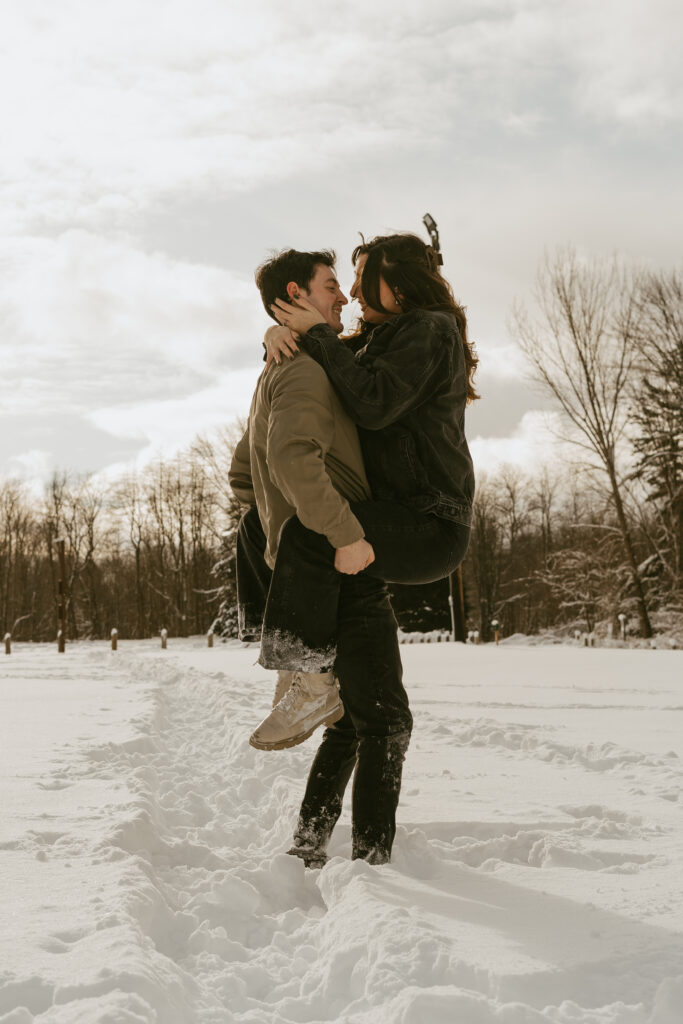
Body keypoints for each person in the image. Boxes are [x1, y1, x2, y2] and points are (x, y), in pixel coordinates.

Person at [229, 248, 411, 866]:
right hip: (344, 559)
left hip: (319, 561)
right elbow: (289, 460)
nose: (343, 297)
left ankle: (310, 844)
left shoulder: (281, 365)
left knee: (356, 715)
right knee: (384, 715)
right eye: (332, 286)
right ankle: (372, 864)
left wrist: (280, 531)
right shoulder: (304, 369)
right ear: (296, 293)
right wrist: (339, 532)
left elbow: (242, 473)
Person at [254, 231, 476, 698]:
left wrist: (312, 331)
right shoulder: (380, 339)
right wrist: (279, 332)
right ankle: (313, 682)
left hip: (430, 519)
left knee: (310, 533)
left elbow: (372, 401)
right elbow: (332, 363)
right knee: (368, 714)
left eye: (360, 278)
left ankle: (305, 675)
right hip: (390, 515)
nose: (353, 293)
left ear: (397, 282)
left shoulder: (430, 329)